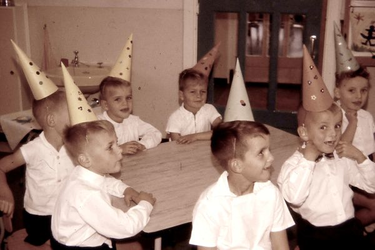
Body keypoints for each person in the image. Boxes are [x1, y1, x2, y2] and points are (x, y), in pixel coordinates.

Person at [277, 103, 375, 250]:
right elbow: (295, 198)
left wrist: (360, 157)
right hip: (316, 236)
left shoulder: (341, 157)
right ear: (304, 133)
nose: (333, 133)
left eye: (337, 126)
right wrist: (308, 161)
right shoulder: (293, 165)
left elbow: (371, 186)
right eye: (323, 127)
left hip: (349, 231)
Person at [51, 120, 156, 249]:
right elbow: (125, 227)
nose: (119, 150)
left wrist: (125, 189)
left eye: (117, 143)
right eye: (110, 147)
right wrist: (145, 204)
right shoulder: (88, 195)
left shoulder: (81, 173)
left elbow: (105, 181)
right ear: (85, 160)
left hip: (71, 239)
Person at [189, 121, 294, 249]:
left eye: (269, 150)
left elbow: (280, 247)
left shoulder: (271, 193)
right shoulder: (209, 205)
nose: (271, 158)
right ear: (237, 165)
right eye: (261, 153)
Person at [0, 91, 74, 246]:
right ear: (52, 120)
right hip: (40, 216)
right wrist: (5, 192)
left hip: (67, 212)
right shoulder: (33, 149)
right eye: (72, 113)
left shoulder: (74, 145)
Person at [97, 76, 162, 155]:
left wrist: (143, 144)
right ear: (105, 105)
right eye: (117, 99)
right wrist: (119, 149)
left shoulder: (133, 121)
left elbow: (155, 133)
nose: (125, 103)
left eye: (128, 98)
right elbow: (95, 151)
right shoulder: (98, 125)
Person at [166, 68, 222, 144]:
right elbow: (176, 144)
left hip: (204, 152)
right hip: (183, 153)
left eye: (203, 91)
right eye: (193, 92)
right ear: (182, 95)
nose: (199, 96)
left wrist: (194, 137)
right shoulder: (175, 117)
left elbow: (221, 131)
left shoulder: (209, 109)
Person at [334, 66, 375, 161]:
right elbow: (339, 150)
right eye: (351, 90)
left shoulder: (367, 116)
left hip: (365, 165)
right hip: (344, 165)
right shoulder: (332, 116)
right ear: (337, 93)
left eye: (363, 90)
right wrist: (352, 123)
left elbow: (371, 149)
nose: (359, 96)